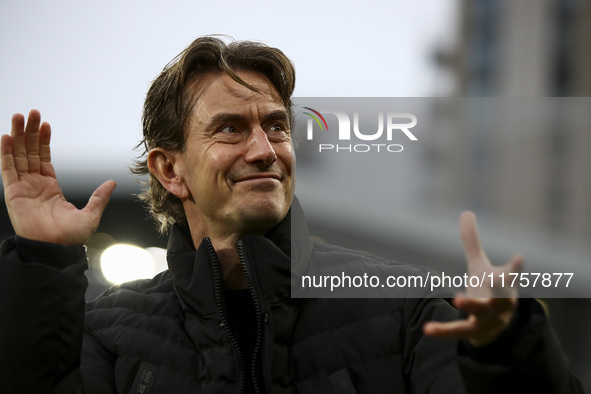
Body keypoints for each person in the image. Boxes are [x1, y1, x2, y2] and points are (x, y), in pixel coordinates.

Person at [0, 36, 583, 393]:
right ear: (170, 170)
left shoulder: (405, 307)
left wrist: (508, 349)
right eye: (230, 128)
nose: (264, 149)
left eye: (276, 126)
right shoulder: (109, 334)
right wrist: (42, 261)